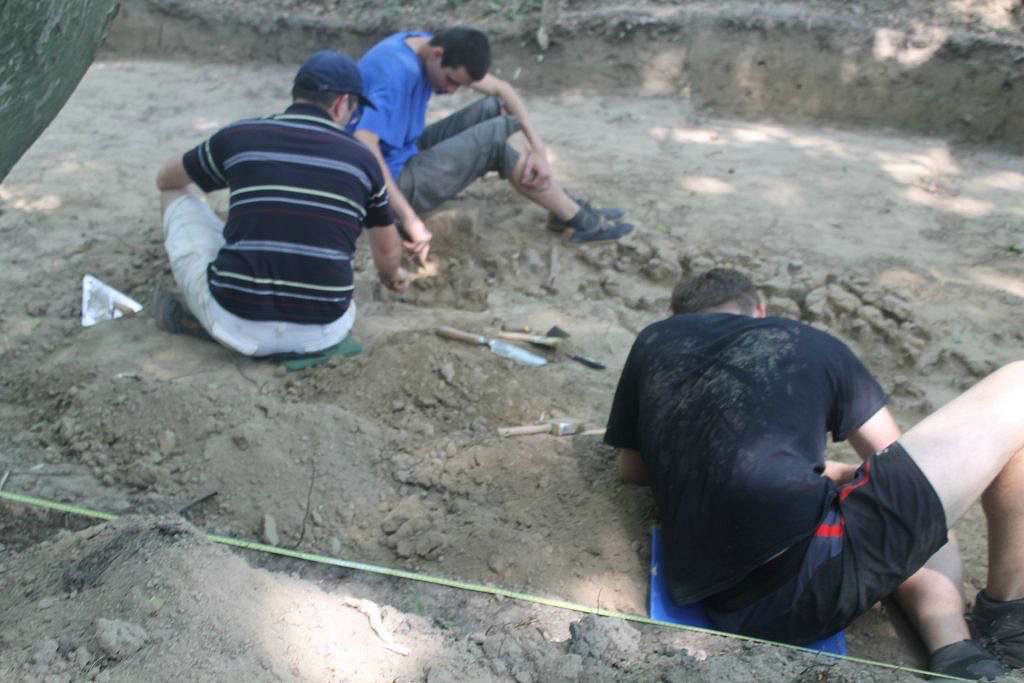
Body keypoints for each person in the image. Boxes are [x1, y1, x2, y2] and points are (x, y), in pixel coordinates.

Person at [604, 268, 1024, 680]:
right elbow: (888, 457)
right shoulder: (806, 342)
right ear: (760, 309)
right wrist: (839, 472)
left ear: (680, 316)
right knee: (1016, 388)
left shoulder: (655, 340)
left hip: (718, 597)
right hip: (808, 583)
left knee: (898, 501)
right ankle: (978, 635)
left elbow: (633, 470)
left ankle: (964, 646)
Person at [154, 50, 409, 357]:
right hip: (323, 333)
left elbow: (167, 179)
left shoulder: (241, 135)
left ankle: (209, 319)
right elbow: (386, 251)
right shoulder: (363, 161)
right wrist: (391, 276)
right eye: (354, 111)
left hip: (235, 321)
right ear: (342, 104)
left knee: (176, 196)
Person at [348, 26, 634, 263]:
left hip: (404, 151)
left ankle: (562, 206)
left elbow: (502, 90)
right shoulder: (394, 73)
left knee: (495, 107)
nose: (451, 91)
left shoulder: (422, 44)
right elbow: (364, 147)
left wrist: (539, 152)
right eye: (451, 81)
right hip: (383, 184)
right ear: (438, 55)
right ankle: (579, 219)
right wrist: (409, 218)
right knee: (496, 142)